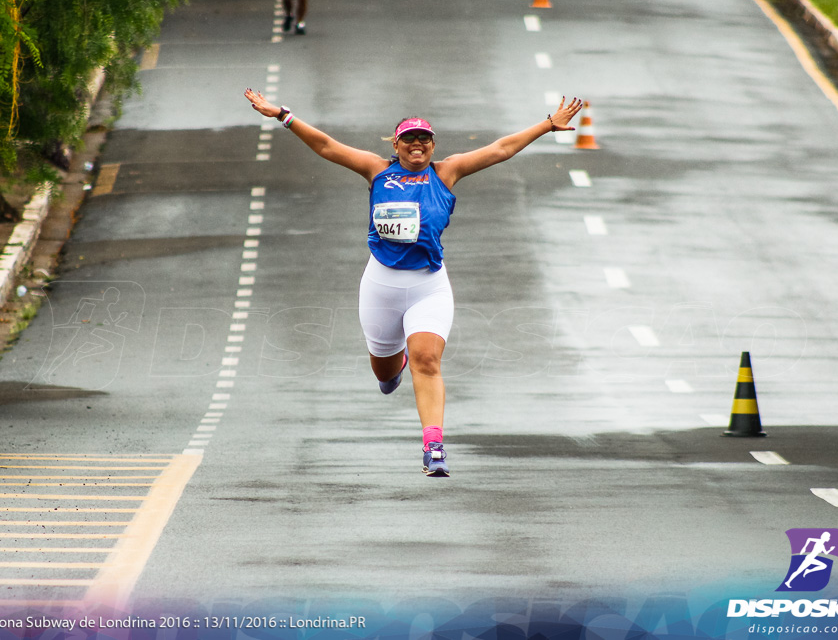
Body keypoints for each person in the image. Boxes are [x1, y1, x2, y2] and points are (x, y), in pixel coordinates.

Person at [243, 88, 583, 476]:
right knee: (386, 376)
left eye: (424, 139)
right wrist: (282, 115)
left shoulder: (446, 172)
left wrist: (547, 126)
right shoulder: (376, 170)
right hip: (381, 287)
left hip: (429, 285)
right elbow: (325, 146)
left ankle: (433, 447)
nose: (417, 145)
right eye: (409, 139)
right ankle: (394, 363)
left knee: (428, 361)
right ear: (397, 144)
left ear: (433, 145)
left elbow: (502, 148)